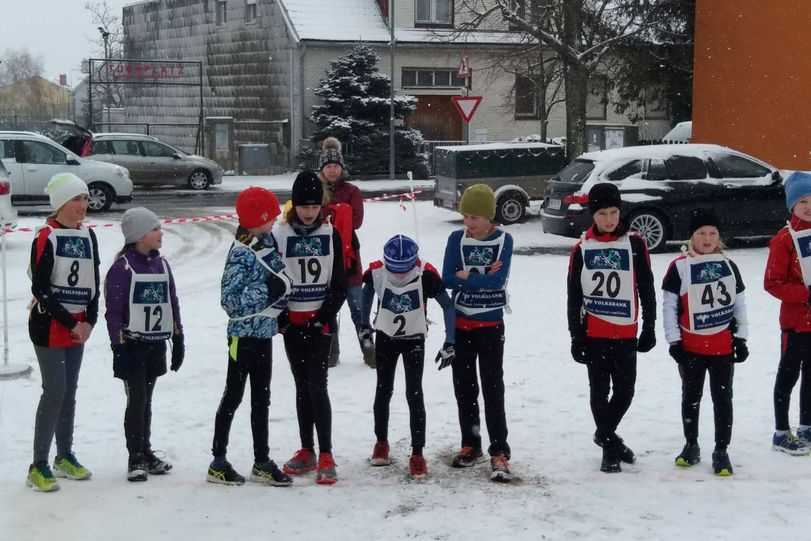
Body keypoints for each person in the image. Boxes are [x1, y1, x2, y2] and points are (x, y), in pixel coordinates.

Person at [207, 186, 295, 486]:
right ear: (256, 218)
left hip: (265, 333)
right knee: (233, 395)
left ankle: (261, 459)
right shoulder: (242, 252)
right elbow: (229, 300)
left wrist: (281, 310)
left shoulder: (267, 240)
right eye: (269, 217)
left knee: (262, 398)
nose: (274, 222)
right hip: (242, 337)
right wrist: (268, 290)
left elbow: (280, 275)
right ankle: (218, 460)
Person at [567, 182, 656, 473]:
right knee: (599, 391)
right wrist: (575, 337)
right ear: (593, 215)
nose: (609, 219)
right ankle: (610, 446)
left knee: (625, 391)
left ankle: (604, 434)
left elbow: (646, 287)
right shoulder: (582, 248)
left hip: (626, 332)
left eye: (614, 212)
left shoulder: (634, 243)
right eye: (602, 213)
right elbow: (574, 295)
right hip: (595, 333)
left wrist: (650, 326)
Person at [359, 235, 456, 480]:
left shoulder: (426, 275)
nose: (400, 277)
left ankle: (417, 453)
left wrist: (450, 340)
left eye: (405, 271)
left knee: (414, 392)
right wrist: (363, 324)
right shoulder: (377, 272)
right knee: (383, 389)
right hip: (386, 338)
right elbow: (367, 290)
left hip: (414, 339)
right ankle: (381, 441)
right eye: (396, 271)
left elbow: (447, 305)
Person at [26, 173, 100, 492]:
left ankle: (64, 455)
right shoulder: (47, 236)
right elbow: (41, 288)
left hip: (78, 325)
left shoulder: (89, 235)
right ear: (60, 204)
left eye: (85, 199)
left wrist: (89, 321)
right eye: (76, 199)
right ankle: (38, 464)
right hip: (49, 324)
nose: (83, 205)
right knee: (54, 390)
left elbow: (94, 282)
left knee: (69, 391)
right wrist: (73, 323)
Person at [662, 208, 748, 476]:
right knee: (691, 398)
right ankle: (691, 444)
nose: (707, 238)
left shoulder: (729, 266)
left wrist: (742, 338)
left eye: (712, 233)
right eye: (701, 233)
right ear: (692, 236)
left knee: (723, 399)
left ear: (719, 237)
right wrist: (674, 341)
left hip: (722, 347)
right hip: (691, 348)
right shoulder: (679, 267)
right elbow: (669, 306)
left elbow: (740, 305)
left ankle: (721, 450)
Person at [274, 171, 347, 485]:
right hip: (292, 324)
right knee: (302, 387)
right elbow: (271, 280)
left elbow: (340, 283)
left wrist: (324, 317)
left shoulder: (331, 234)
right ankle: (307, 449)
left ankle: (326, 452)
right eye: (303, 206)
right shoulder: (279, 233)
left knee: (318, 386)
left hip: (320, 324)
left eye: (314, 206)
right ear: (294, 206)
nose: (308, 211)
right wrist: (282, 320)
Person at [104, 207, 185, 481]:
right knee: (136, 399)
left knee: (147, 399)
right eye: (155, 229)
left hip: (155, 344)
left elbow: (171, 301)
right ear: (138, 235)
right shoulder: (122, 268)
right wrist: (118, 346)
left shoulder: (161, 264)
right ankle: (134, 456)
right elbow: (113, 311)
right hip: (133, 346)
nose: (161, 233)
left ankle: (146, 450)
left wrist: (178, 336)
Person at [441, 183, 514, 483]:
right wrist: (481, 275)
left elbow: (498, 283)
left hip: (491, 325)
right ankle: (471, 444)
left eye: (474, 217)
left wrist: (468, 275)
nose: (468, 223)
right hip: (461, 324)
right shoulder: (455, 239)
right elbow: (447, 277)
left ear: (488, 217)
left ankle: (500, 450)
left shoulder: (504, 240)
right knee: (465, 388)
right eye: (464, 216)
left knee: (493, 387)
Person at [764, 170, 811, 455]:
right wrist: (806, 296)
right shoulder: (784, 239)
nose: (808, 205)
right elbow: (772, 282)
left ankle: (807, 425)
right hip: (795, 324)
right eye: (802, 200)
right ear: (792, 205)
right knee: (788, 375)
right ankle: (782, 432)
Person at [318, 136, 373, 368]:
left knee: (358, 308)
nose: (332, 170)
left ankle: (370, 351)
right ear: (322, 169)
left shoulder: (352, 190)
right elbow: (311, 217)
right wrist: (339, 213)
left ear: (342, 168)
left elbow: (357, 220)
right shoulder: (316, 189)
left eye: (336, 166)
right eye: (328, 166)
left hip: (350, 257)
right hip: (324, 258)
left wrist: (334, 213)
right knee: (328, 309)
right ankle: (331, 353)